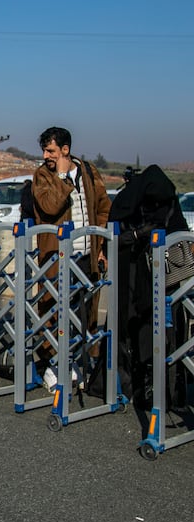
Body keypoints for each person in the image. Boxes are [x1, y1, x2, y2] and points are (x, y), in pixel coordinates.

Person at [30, 126, 111, 388]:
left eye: (51, 150)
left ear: (66, 150)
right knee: (54, 310)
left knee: (84, 312)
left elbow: (102, 208)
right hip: (57, 257)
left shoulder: (88, 171)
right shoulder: (43, 175)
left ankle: (78, 361)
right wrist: (62, 176)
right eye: (44, 150)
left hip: (86, 255)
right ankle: (51, 365)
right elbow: (50, 206)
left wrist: (101, 247)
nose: (46, 155)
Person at [108, 164, 189, 409]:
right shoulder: (136, 202)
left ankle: (171, 391)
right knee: (146, 331)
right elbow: (116, 233)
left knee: (169, 332)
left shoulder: (162, 203)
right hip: (141, 279)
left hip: (164, 281)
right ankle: (148, 389)